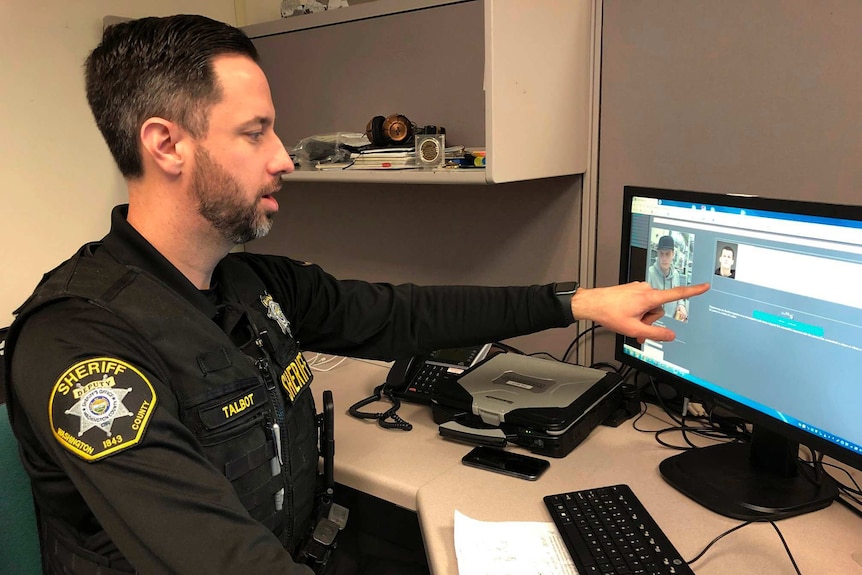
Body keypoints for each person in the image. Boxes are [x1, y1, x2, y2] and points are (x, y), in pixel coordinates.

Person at [2, 15, 709, 575]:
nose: (283, 156)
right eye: (256, 132)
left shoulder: (250, 285)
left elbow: (404, 313)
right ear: (166, 145)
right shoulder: (79, 344)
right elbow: (220, 560)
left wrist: (578, 303)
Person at [646, 234, 689, 321]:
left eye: (667, 254)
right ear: (657, 254)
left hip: (671, 322)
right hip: (655, 324)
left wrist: (681, 305)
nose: (664, 258)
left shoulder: (676, 275)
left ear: (673, 254)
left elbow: (678, 295)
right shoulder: (649, 274)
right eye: (661, 254)